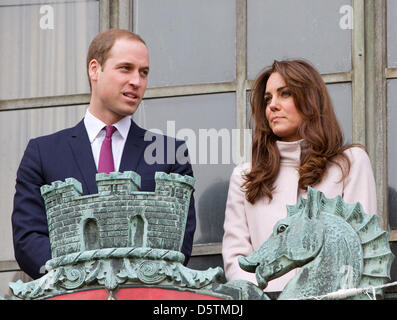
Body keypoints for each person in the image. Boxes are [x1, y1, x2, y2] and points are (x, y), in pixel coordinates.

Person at [12, 29, 196, 280]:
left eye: (143, 72)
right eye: (125, 68)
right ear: (94, 70)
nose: (137, 81)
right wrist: (79, 280)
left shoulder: (170, 154)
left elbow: (177, 241)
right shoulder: (43, 154)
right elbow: (29, 238)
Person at [222, 59, 377, 292]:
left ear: (310, 101)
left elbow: (361, 247)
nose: (272, 105)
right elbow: (236, 259)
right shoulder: (245, 177)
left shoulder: (351, 164)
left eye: (285, 94)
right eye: (268, 99)